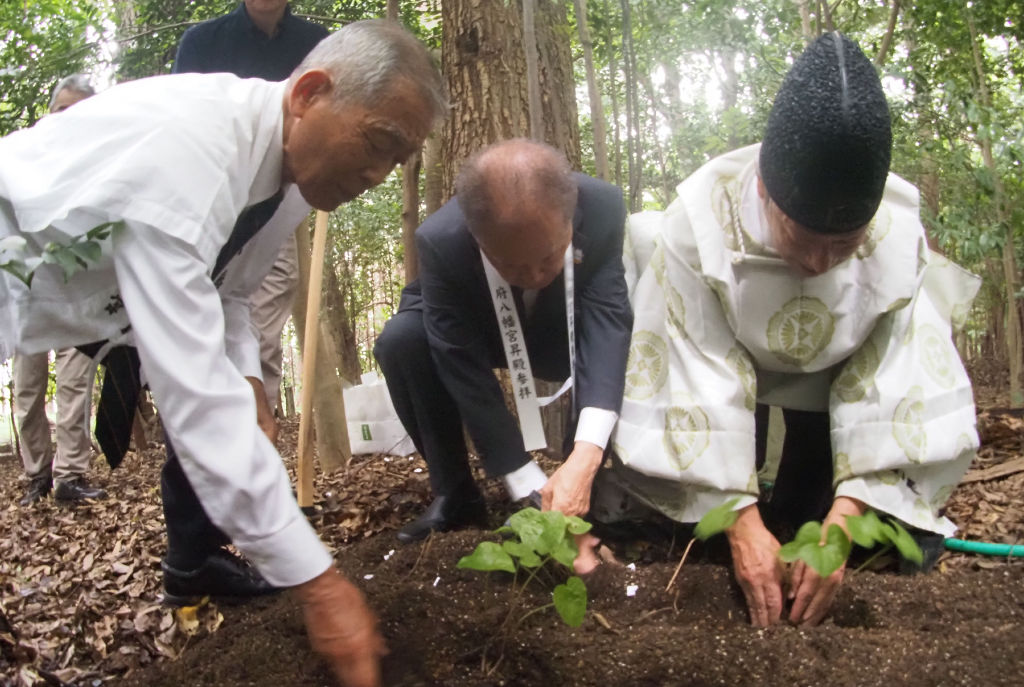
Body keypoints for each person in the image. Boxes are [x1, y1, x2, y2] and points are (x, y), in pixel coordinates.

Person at [0, 20, 445, 687]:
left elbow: (225, 288)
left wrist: (251, 382)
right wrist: (319, 583)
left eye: (397, 160)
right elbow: (198, 408)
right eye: (378, 144)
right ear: (311, 93)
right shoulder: (193, 154)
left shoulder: (287, 184)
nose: (379, 176)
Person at [606, 32, 980, 628]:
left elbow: (892, 380)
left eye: (844, 245)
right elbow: (696, 372)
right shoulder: (700, 226)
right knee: (717, 543)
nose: (818, 264)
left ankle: (808, 502)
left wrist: (844, 519)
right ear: (763, 190)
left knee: (818, 526)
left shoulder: (895, 235)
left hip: (834, 380)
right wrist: (739, 519)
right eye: (802, 241)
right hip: (733, 373)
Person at [374, 139, 632, 546]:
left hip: (562, 329)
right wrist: (527, 485)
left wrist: (585, 458)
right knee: (402, 339)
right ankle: (456, 494)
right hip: (482, 331)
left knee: (633, 335)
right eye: (510, 263)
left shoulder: (603, 208)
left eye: (548, 257)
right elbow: (457, 359)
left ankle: (589, 484)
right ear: (475, 236)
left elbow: (607, 325)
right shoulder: (441, 240)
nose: (532, 275)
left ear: (571, 219)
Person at [154, 0, 326, 606]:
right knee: (198, 364)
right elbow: (181, 137)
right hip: (199, 222)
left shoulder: (318, 44)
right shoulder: (203, 43)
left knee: (257, 364)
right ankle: (194, 547)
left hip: (274, 222)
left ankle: (253, 517)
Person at [173, 0, 328, 412]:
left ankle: (257, 420)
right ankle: (202, 423)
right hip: (207, 208)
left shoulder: (317, 47)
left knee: (263, 316)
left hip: (279, 207)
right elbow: (182, 125)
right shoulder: (203, 42)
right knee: (197, 312)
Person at [14, 75, 105, 507]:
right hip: (28, 292)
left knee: (74, 385)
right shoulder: (23, 158)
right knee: (27, 389)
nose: (69, 118)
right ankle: (37, 475)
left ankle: (70, 476)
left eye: (79, 111)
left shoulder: (101, 166)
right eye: (62, 109)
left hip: (76, 293)